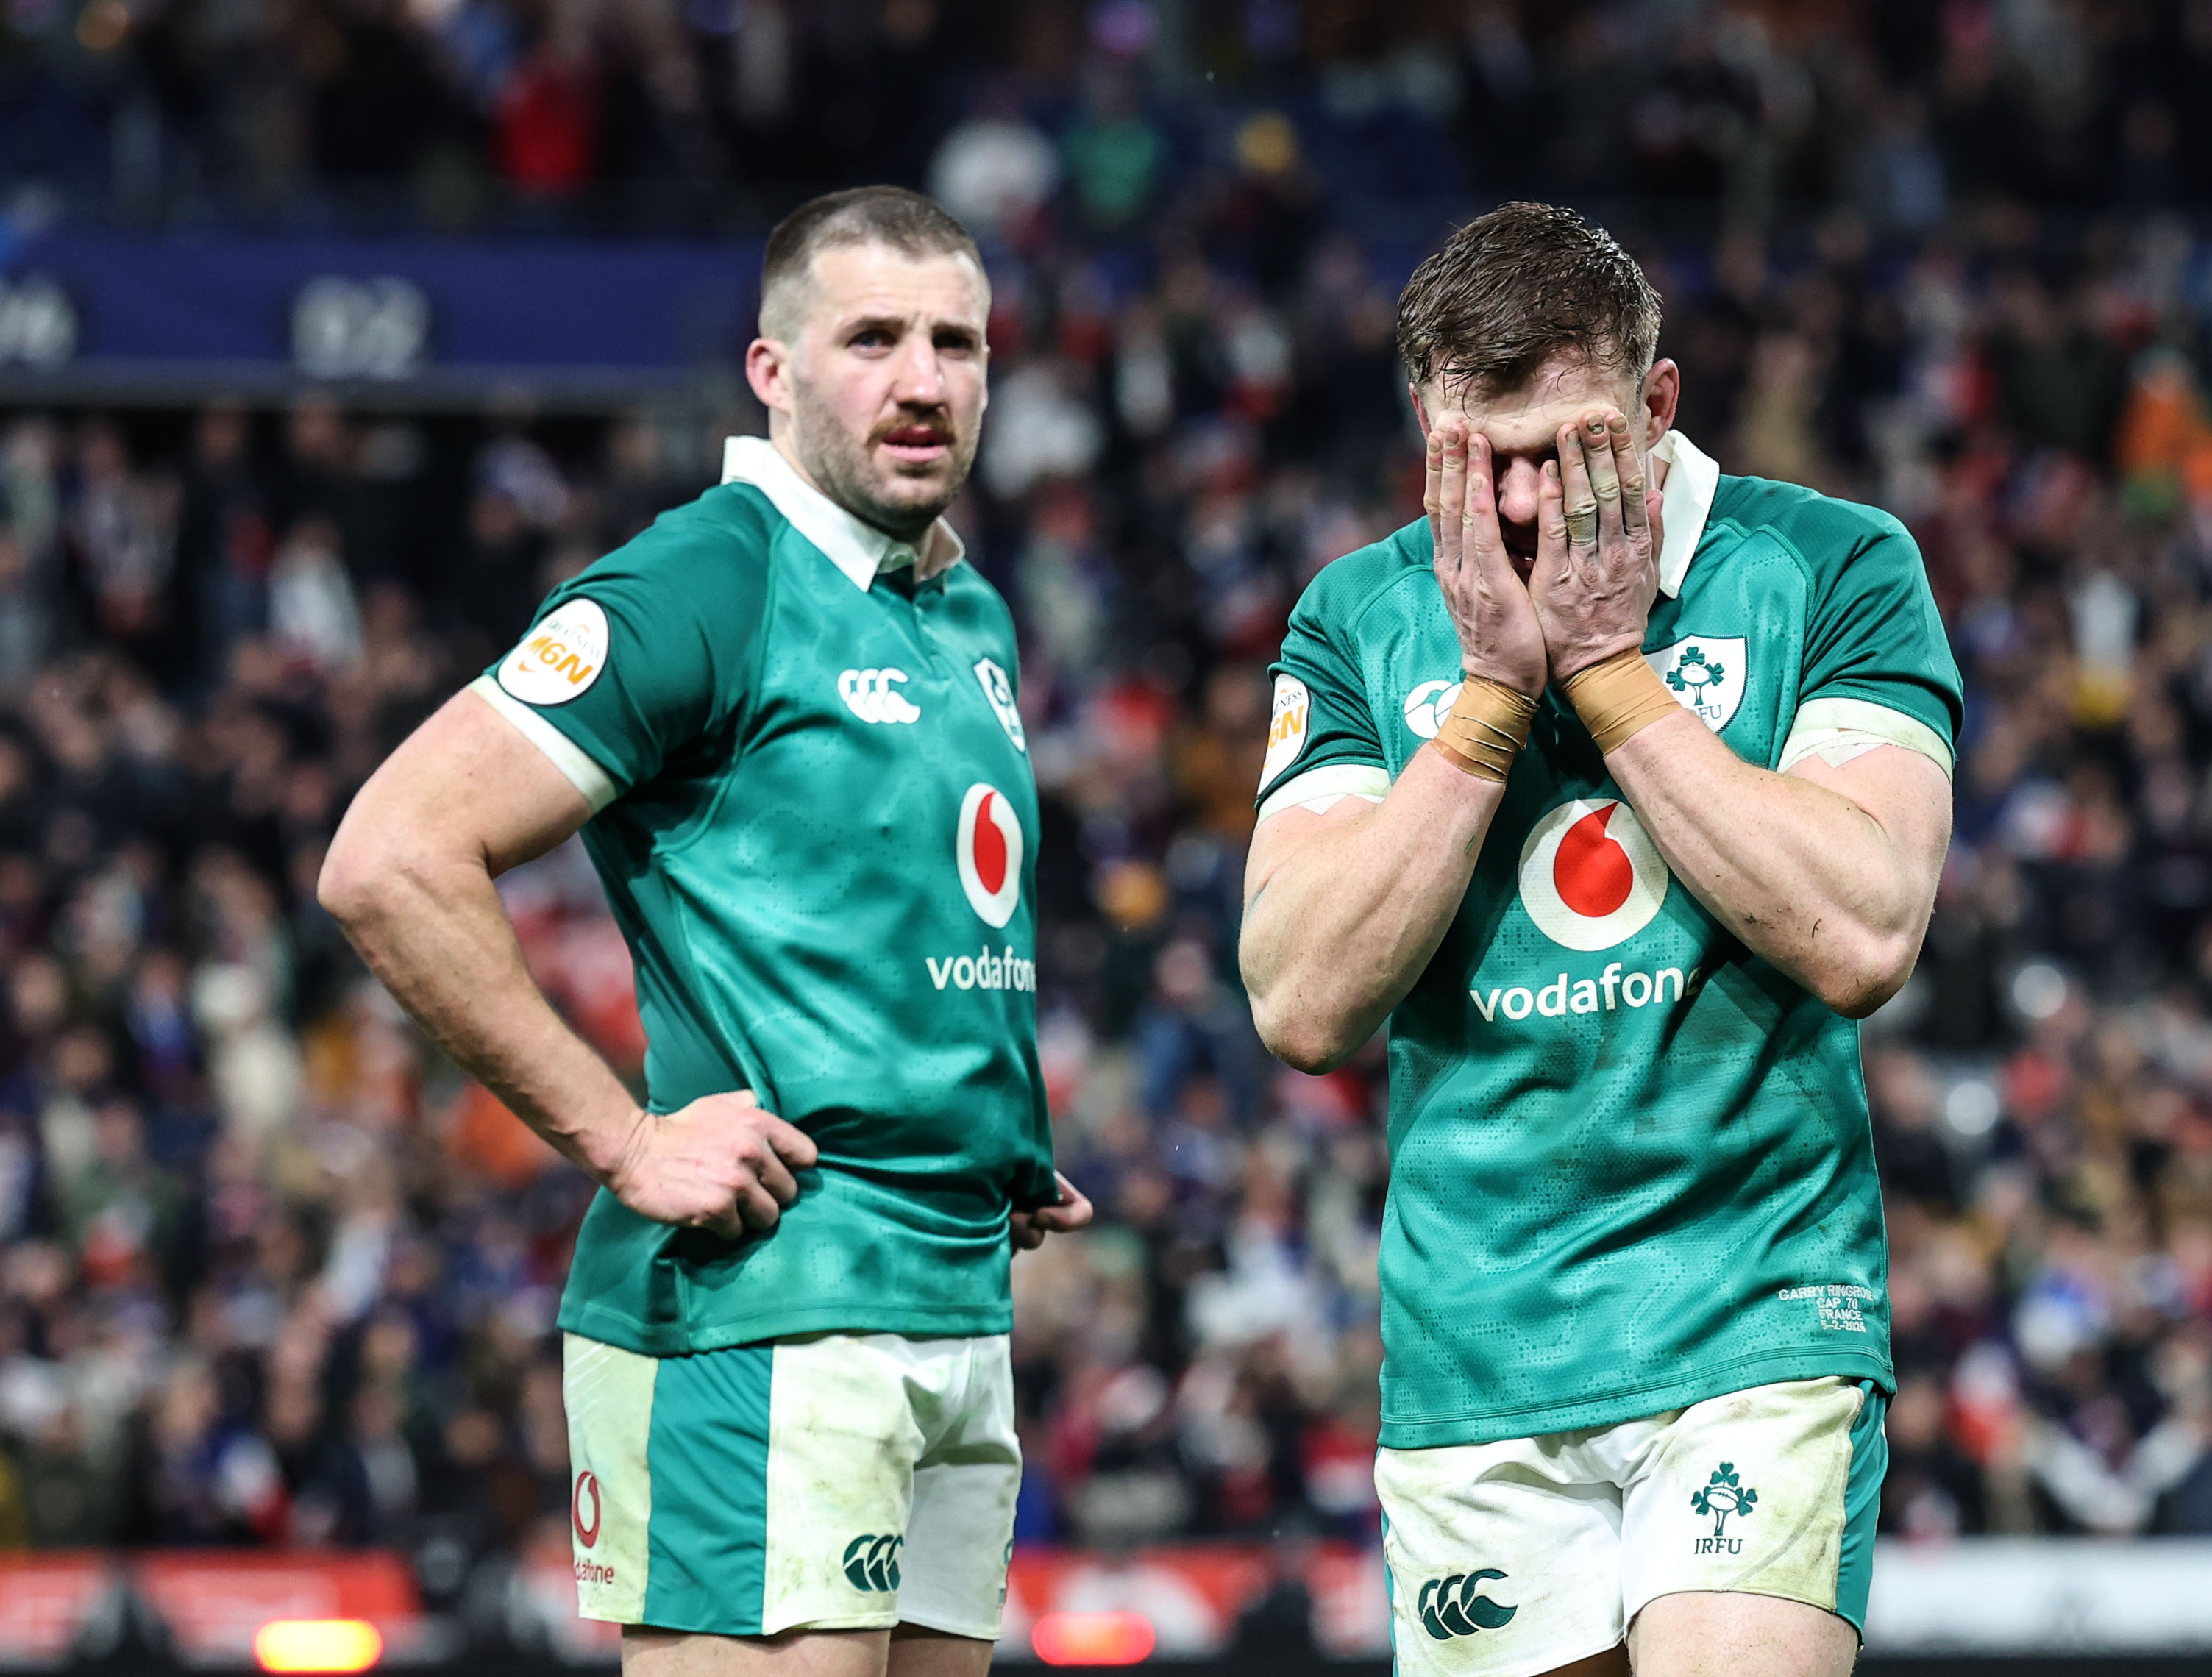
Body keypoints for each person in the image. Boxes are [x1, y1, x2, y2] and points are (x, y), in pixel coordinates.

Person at [320, 186, 1090, 1677]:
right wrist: (622, 1138)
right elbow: (389, 858)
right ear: (773, 371)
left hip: (946, 1299)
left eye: (959, 343)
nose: (924, 381)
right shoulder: (711, 578)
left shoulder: (965, 610)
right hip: (760, 1316)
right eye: (872, 339)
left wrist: (977, 1127)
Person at [1239, 202, 1961, 1677]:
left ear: (1658, 404)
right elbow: (1302, 1001)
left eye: (1564, 446)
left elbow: (1867, 926)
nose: (1514, 501)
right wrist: (1495, 699)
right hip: (1477, 1342)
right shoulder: (1359, 616)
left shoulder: (1833, 567)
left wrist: (1614, 674)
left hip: (1757, 1310)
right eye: (1474, 456)